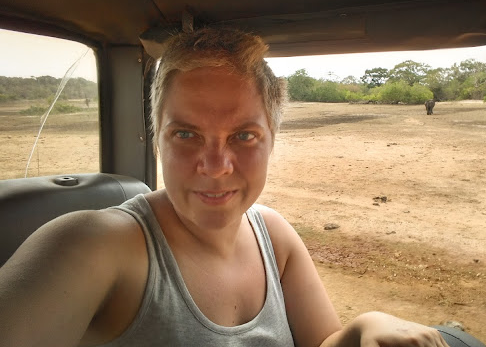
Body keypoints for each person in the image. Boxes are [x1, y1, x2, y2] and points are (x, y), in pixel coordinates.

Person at [0, 27, 449, 347]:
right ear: (156, 136)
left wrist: (361, 328)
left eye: (243, 136)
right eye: (187, 134)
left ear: (272, 139)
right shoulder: (93, 245)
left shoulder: (275, 236)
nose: (215, 167)